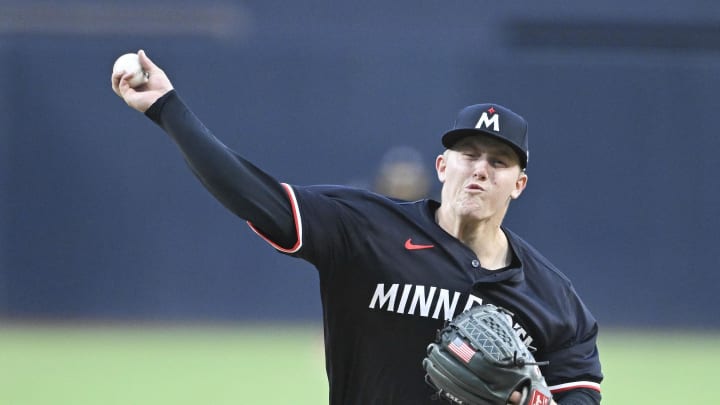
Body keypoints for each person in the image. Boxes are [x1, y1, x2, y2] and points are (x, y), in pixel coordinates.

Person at [112, 50, 603, 405]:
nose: (479, 169)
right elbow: (252, 194)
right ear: (441, 165)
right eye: (468, 155)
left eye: (497, 162)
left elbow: (579, 397)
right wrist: (166, 107)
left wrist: (528, 402)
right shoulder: (366, 230)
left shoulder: (555, 301)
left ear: (518, 184)